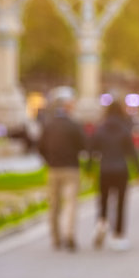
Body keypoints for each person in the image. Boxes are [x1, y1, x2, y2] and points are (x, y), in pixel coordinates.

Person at [37, 88, 86, 252]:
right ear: (67, 106)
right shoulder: (74, 126)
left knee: (54, 205)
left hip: (53, 169)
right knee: (70, 203)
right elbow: (83, 146)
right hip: (71, 168)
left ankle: (56, 237)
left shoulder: (49, 125)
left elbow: (40, 147)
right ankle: (69, 234)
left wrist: (49, 160)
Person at [90, 100, 139, 251]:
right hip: (121, 169)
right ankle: (118, 234)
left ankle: (102, 222)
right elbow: (132, 152)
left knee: (103, 200)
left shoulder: (100, 129)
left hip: (104, 169)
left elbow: (93, 150)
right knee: (120, 203)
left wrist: (89, 168)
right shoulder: (124, 129)